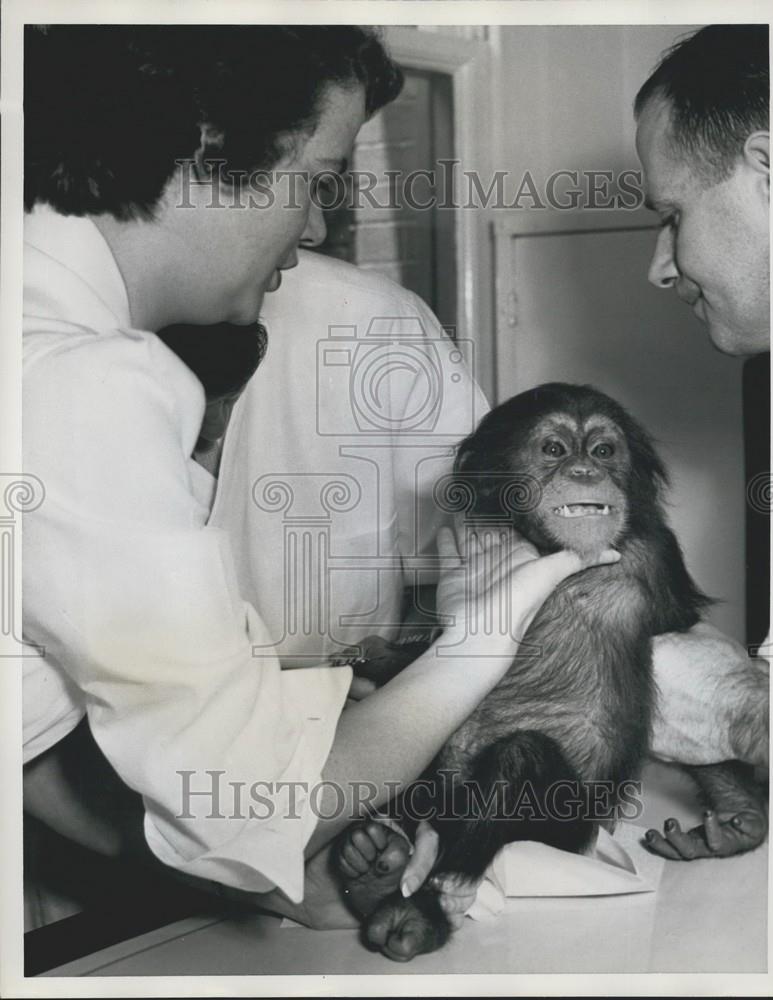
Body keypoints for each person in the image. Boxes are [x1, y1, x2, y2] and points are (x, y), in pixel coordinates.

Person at [22, 24, 611, 933]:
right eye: (313, 181)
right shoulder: (79, 381)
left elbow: (32, 728)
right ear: (202, 160)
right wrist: (484, 636)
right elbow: (253, 806)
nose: (313, 227)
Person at [633, 24, 772, 859]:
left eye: (671, 214)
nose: (659, 266)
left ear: (770, 167)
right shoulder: (769, 378)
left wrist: (739, 716)